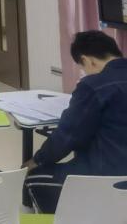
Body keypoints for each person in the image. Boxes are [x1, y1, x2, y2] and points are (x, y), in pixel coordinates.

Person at [24, 30, 127, 213]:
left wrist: (37, 160)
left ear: (87, 60)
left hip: (109, 179)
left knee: (33, 178)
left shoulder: (93, 85)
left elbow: (68, 136)